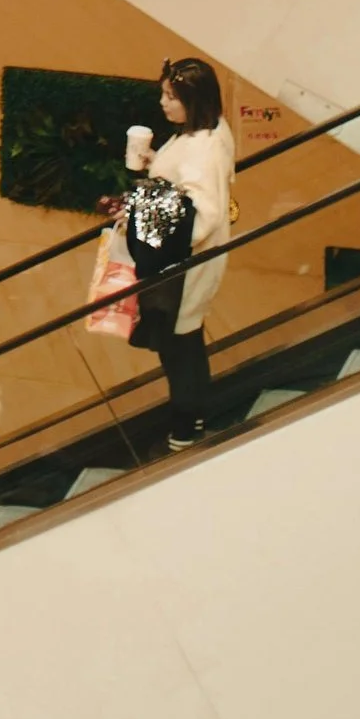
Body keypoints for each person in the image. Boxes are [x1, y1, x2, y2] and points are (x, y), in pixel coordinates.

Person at [124, 56, 235, 451]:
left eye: (171, 96)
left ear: (193, 98)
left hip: (188, 264)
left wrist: (146, 205)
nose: (163, 103)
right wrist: (157, 168)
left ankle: (187, 424)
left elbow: (202, 213)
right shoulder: (199, 132)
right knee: (182, 338)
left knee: (180, 343)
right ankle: (190, 416)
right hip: (188, 260)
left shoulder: (203, 147)